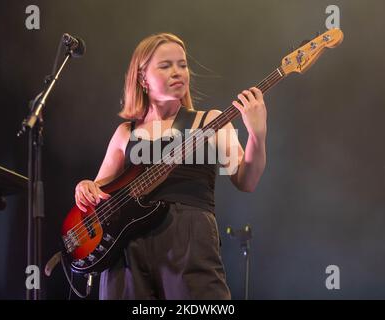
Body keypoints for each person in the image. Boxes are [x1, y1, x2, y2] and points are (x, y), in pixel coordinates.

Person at [74, 33, 267, 299]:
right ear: (142, 78)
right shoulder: (125, 133)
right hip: (127, 249)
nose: (178, 72)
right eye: (165, 66)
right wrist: (85, 187)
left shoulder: (210, 120)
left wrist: (258, 135)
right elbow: (99, 191)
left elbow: (247, 181)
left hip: (189, 240)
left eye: (182, 64)